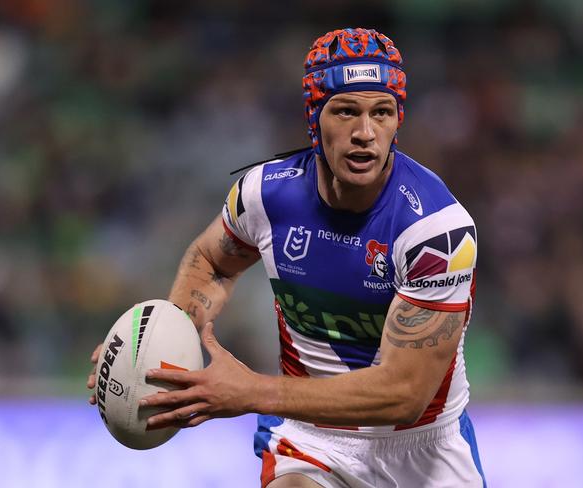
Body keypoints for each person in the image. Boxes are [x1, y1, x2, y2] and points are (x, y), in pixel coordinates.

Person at [88, 27, 486, 487]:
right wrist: (156, 346)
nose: (365, 133)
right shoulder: (263, 195)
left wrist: (252, 392)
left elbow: (404, 395)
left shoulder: (438, 232)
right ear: (314, 118)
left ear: (399, 119)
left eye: (382, 112)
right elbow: (212, 262)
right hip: (311, 439)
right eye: (345, 112)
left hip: (423, 448)